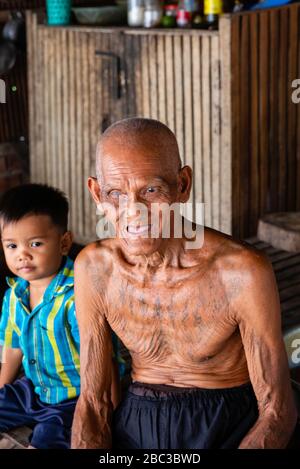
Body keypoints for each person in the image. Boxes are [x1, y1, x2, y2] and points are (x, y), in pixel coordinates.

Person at [71, 118, 297, 449]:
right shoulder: (94, 269)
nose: (133, 212)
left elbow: (277, 410)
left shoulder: (240, 272)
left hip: (229, 422)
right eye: (115, 194)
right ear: (96, 193)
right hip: (139, 420)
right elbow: (94, 401)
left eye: (151, 190)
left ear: (183, 184)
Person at [0, 184, 120, 448]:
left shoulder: (77, 295)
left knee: (48, 437)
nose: (22, 255)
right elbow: (12, 349)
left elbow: (101, 355)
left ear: (64, 243)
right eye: (12, 245)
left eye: (35, 243)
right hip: (33, 390)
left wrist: (108, 410)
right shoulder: (14, 295)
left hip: (73, 398)